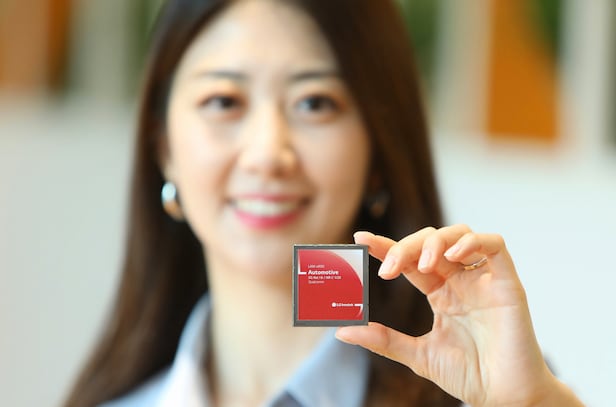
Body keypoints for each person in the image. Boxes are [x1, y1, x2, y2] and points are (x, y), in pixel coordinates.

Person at [64, 0, 584, 406]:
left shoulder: (488, 397)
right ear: (164, 147)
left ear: (378, 149)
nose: (268, 153)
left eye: (315, 103)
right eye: (223, 101)